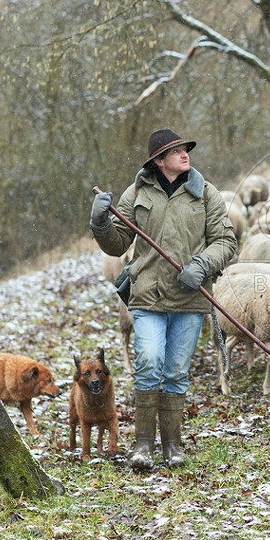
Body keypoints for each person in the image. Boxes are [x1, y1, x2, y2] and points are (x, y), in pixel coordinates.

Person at [89, 129, 237, 470]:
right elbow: (117, 244)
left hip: (189, 299)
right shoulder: (137, 193)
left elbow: (226, 241)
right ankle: (142, 446)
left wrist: (201, 265)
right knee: (149, 363)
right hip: (147, 297)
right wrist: (100, 222)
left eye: (185, 149)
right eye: (176, 151)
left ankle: (172, 445)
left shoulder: (205, 193)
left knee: (175, 372)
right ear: (159, 160)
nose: (185, 154)